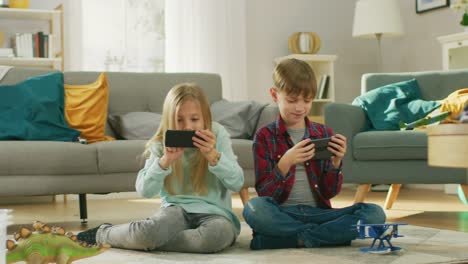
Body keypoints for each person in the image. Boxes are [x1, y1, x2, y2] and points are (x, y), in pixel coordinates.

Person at [77, 83, 244, 253]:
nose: (187, 127)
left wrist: (213, 156)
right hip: (175, 210)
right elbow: (144, 190)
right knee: (150, 232)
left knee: (213, 237)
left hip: (215, 213)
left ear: (205, 119)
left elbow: (237, 183)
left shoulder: (217, 134)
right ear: (169, 120)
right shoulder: (161, 142)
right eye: (179, 120)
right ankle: (104, 233)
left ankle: (146, 240)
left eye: (194, 119)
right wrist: (165, 161)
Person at [242, 58, 386, 250]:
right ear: (275, 95)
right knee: (253, 209)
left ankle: (293, 238)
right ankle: (329, 236)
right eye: (292, 100)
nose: (300, 107)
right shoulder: (265, 136)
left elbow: (329, 192)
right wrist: (285, 162)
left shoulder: (323, 133)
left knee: (375, 214)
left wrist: (336, 163)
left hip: (320, 214)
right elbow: (266, 194)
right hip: (283, 213)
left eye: (307, 101)